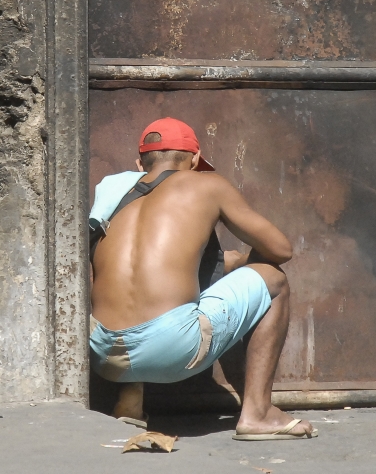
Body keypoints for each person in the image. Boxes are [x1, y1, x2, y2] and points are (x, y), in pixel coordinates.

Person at [88, 117, 316, 440]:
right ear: (195, 160)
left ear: (140, 163)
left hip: (103, 354)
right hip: (170, 350)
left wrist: (230, 263)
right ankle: (258, 413)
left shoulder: (113, 192)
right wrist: (248, 262)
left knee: (132, 284)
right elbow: (281, 249)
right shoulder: (206, 185)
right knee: (274, 280)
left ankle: (129, 403)